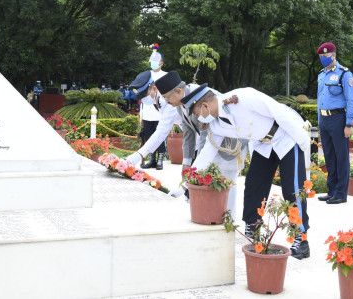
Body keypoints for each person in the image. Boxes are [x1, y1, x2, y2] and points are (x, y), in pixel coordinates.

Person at [186, 85, 312, 259]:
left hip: (287, 136)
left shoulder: (244, 98)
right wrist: (187, 183)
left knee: (293, 189)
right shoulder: (216, 124)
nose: (198, 117)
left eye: (197, 112)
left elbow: (279, 112)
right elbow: (207, 152)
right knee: (254, 186)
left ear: (206, 106)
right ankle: (253, 230)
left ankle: (301, 239)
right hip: (263, 144)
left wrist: (304, 143)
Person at [127, 72, 247, 215]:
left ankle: (230, 219)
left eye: (166, 97)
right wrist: (187, 162)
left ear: (178, 91)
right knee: (214, 181)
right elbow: (188, 131)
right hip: (214, 143)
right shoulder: (180, 101)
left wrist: (190, 178)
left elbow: (205, 137)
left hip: (231, 143)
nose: (165, 101)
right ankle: (215, 216)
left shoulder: (200, 98)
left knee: (228, 181)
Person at [315, 42, 353, 205]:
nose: (323, 58)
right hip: (324, 120)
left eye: (326, 55)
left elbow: (350, 100)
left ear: (334, 55)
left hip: (338, 119)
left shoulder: (344, 74)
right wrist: (319, 122)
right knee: (329, 157)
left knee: (341, 157)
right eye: (321, 56)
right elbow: (319, 99)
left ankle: (341, 193)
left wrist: (349, 124)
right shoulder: (321, 75)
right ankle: (331, 191)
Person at [131, 46, 168, 169]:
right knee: (149, 135)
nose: (153, 63)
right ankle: (152, 159)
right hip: (147, 110)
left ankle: (160, 159)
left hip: (160, 111)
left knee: (159, 135)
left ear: (161, 63)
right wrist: (141, 115)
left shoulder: (166, 75)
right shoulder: (146, 75)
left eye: (156, 61)